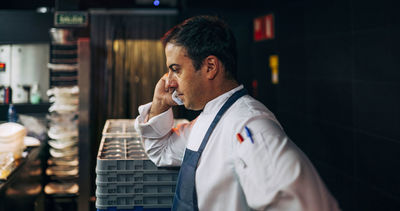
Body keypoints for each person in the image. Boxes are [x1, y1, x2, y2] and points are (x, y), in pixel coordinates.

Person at [134, 15, 340, 211]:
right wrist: (159, 103)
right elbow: (161, 151)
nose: (168, 82)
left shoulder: (250, 126)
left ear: (210, 67)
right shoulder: (209, 118)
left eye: (176, 69)